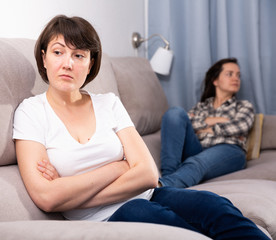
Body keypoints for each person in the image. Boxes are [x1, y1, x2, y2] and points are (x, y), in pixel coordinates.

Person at [12, 15, 269, 240]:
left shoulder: (109, 103)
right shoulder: (31, 112)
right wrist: (120, 166)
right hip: (101, 219)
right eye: (58, 52)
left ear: (90, 65)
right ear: (44, 57)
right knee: (145, 214)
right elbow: (46, 198)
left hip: (150, 194)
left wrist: (70, 193)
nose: (68, 63)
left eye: (79, 55)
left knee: (215, 205)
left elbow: (147, 174)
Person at [159, 58, 255, 188]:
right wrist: (218, 121)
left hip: (229, 150)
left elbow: (240, 127)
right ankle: (168, 175)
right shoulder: (201, 107)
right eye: (229, 74)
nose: (236, 78)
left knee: (196, 162)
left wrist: (206, 126)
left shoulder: (244, 106)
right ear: (215, 80)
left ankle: (162, 188)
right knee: (174, 113)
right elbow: (187, 123)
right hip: (198, 147)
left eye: (238, 75)